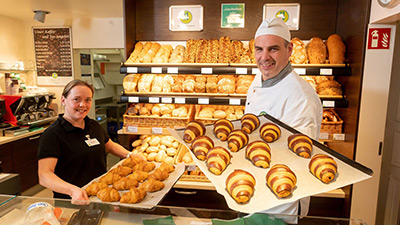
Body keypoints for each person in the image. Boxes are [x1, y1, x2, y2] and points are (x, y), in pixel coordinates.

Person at [245, 18, 323, 223]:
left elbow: (299, 154)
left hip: (281, 200)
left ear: (290, 50)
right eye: (259, 49)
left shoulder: (301, 97)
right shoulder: (259, 80)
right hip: (253, 183)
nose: (264, 57)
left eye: (273, 49)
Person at [37, 79, 135, 202]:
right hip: (73, 200)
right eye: (76, 99)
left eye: (87, 100)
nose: (83, 105)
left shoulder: (93, 125)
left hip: (101, 195)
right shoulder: (53, 134)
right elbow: (45, 175)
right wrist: (72, 190)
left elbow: (110, 145)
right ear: (63, 100)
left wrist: (130, 155)